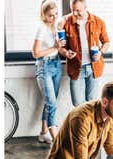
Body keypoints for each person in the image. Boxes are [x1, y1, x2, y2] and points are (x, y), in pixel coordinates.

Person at [58, 0, 110, 107]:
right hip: (76, 68)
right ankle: (82, 122)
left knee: (92, 102)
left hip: (94, 68)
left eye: (78, 10)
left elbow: (106, 42)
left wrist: (100, 53)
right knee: (77, 104)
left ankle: (89, 124)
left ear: (85, 7)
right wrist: (66, 53)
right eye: (73, 10)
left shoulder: (98, 22)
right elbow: (61, 48)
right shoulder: (66, 23)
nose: (75, 13)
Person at [32, 0, 64, 144]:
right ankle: (57, 141)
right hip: (44, 66)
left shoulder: (56, 28)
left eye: (56, 14)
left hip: (57, 64)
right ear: (44, 15)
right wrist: (55, 47)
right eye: (51, 15)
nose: (54, 17)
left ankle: (44, 132)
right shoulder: (41, 28)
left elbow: (58, 48)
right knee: (52, 104)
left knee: (51, 101)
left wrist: (64, 51)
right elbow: (35, 53)